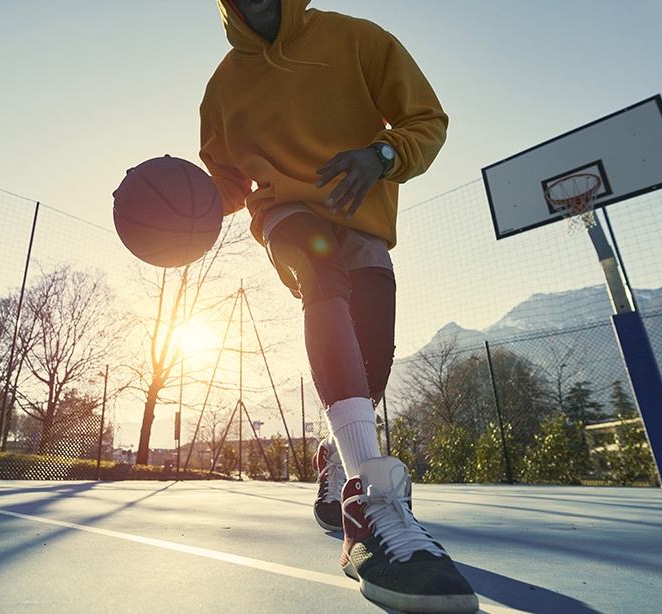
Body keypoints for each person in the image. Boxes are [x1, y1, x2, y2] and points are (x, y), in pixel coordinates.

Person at [200, 1, 478, 612]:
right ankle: (371, 505)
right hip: (285, 214)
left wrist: (381, 155)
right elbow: (224, 181)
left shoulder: (359, 40)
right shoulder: (222, 87)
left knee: (373, 356)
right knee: (320, 273)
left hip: (362, 213)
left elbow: (426, 119)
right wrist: (183, 199)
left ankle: (336, 454)